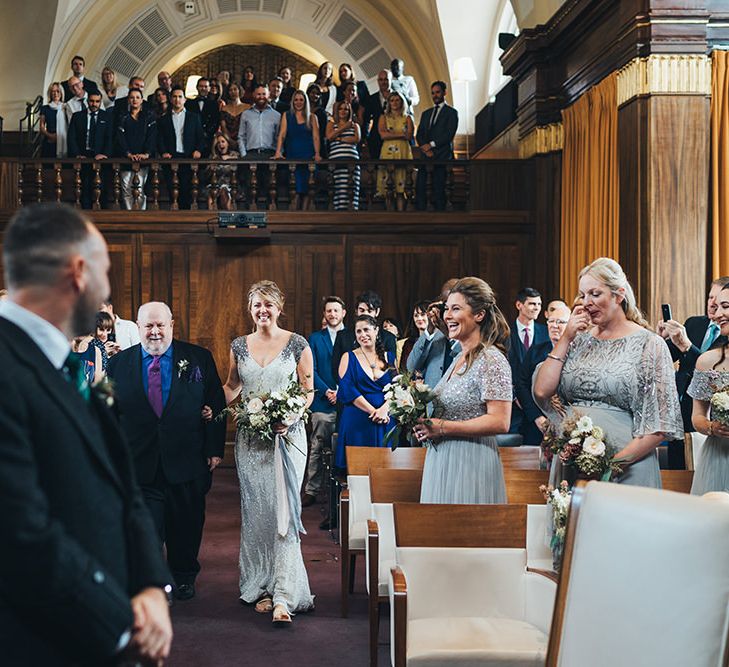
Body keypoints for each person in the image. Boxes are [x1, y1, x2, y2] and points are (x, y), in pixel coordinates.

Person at [0, 203, 172, 665]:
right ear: (79, 272)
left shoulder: (73, 366)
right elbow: (19, 532)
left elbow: (122, 485)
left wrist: (152, 586)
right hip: (44, 640)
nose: (106, 289)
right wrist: (122, 624)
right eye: (105, 271)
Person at [107, 301, 226, 601]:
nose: (155, 331)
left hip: (187, 459)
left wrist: (214, 448)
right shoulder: (119, 364)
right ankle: (151, 580)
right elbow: (109, 413)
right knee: (146, 528)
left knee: (186, 523)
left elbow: (216, 402)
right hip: (139, 461)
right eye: (148, 325)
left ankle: (184, 576)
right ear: (138, 327)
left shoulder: (198, 358)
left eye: (161, 325)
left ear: (172, 324)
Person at [533, 257, 683, 488]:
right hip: (573, 467)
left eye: (595, 294)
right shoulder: (577, 341)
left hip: (628, 468)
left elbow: (659, 426)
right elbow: (542, 390)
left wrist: (609, 466)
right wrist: (566, 338)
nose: (586, 303)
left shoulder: (649, 344)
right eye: (582, 295)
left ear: (618, 295)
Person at [222, 280, 315, 624]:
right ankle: (260, 583)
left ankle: (285, 595)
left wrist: (290, 416)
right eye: (256, 305)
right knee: (257, 510)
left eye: (268, 305)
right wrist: (202, 403)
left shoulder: (297, 344)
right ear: (250, 309)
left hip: (288, 439)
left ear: (279, 307)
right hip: (250, 440)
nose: (262, 311)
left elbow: (308, 391)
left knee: (284, 511)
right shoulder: (239, 346)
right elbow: (233, 385)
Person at [413, 277, 513, 503]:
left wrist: (443, 427)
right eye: (446, 309)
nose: (447, 315)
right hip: (443, 458)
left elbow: (500, 421)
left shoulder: (491, 359)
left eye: (456, 309)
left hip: (471, 460)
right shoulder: (459, 357)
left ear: (479, 315)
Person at [657, 276, 729, 468]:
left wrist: (686, 345)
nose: (714, 306)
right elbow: (666, 359)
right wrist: (661, 339)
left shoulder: (724, 337)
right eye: (711, 299)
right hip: (684, 411)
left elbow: (710, 368)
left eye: (723, 304)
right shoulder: (694, 324)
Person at [335, 314, 396, 470]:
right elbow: (347, 390)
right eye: (358, 331)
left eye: (366, 330)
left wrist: (384, 410)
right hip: (358, 420)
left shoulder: (390, 357)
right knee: (358, 470)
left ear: (376, 331)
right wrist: (373, 411)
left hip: (385, 419)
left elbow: (398, 387)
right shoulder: (348, 357)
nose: (363, 335)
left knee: (386, 471)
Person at [303, 296, 346, 507]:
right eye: (329, 311)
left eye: (336, 310)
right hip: (322, 400)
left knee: (344, 446)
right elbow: (311, 369)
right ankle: (312, 489)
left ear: (343, 313)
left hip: (348, 401)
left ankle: (342, 492)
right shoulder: (315, 338)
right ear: (324, 314)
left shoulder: (351, 336)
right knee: (317, 445)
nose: (332, 314)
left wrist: (341, 391)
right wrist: (327, 390)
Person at [687, 282, 729, 494]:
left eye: (726, 306)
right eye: (717, 307)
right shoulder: (707, 361)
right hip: (720, 458)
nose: (718, 313)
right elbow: (697, 417)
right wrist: (713, 427)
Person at [514, 300, 570, 445]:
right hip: (535, 425)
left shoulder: (577, 352)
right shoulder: (536, 350)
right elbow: (521, 384)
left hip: (569, 424)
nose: (554, 326)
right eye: (551, 321)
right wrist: (537, 417)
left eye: (560, 322)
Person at [406, 279, 460, 392]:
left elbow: (465, 358)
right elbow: (411, 366)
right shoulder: (434, 335)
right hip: (434, 406)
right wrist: (429, 330)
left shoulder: (470, 334)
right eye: (445, 305)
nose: (448, 312)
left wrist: (448, 333)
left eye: (455, 307)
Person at [508, 287, 548, 437]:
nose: (536, 308)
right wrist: (515, 396)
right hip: (513, 408)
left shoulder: (545, 332)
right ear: (519, 305)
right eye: (532, 304)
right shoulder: (505, 333)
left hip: (540, 407)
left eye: (539, 304)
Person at [157, 86, 205, 209]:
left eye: (180, 97)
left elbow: (200, 137)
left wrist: (198, 150)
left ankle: (186, 216)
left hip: (188, 158)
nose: (177, 99)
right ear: (170, 99)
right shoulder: (163, 119)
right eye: (174, 96)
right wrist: (163, 152)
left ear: (184, 100)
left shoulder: (194, 117)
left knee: (187, 189)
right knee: (171, 189)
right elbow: (160, 138)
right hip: (171, 158)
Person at [332, 290, 398, 379]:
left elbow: (392, 371)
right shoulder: (342, 336)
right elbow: (336, 369)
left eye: (370, 311)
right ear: (356, 311)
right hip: (350, 389)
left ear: (377, 312)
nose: (365, 314)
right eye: (362, 310)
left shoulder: (388, 337)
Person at [415, 80, 459, 211]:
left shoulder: (452, 112)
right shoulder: (426, 113)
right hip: (426, 157)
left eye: (438, 92)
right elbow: (420, 134)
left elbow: (449, 134)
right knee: (421, 187)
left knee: (439, 189)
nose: (435, 95)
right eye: (433, 93)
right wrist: (425, 147)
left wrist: (431, 145)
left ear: (444, 92)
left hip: (442, 156)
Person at [274, 90, 321, 209]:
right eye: (296, 100)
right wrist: (278, 152)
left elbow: (316, 137)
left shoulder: (312, 117)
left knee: (307, 188)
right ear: (292, 101)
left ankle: (304, 215)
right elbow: (282, 134)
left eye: (301, 100)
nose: (298, 102)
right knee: (295, 187)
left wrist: (317, 154)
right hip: (293, 155)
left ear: (305, 102)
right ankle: (294, 215)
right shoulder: (287, 115)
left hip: (308, 155)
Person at [67, 90, 113, 209]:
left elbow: (110, 138)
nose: (94, 104)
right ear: (87, 101)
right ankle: (86, 215)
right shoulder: (78, 116)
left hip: (101, 158)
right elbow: (71, 137)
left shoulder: (106, 116)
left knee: (102, 188)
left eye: (97, 101)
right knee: (85, 187)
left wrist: (104, 154)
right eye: (92, 101)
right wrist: (77, 154)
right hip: (83, 156)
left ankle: (104, 217)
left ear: (100, 102)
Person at [237, 85, 281, 208]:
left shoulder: (277, 115)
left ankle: (270, 220)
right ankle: (247, 221)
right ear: (254, 96)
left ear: (268, 96)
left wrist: (278, 153)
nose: (261, 97)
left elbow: (279, 137)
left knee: (270, 188)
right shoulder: (245, 114)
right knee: (249, 189)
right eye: (258, 94)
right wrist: (244, 155)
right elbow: (241, 136)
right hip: (251, 154)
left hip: (269, 155)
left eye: (263, 94)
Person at [116, 87, 157, 210]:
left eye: (137, 97)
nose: (135, 100)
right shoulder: (122, 117)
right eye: (132, 97)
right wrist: (127, 153)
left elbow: (152, 137)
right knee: (126, 189)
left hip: (142, 160)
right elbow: (120, 138)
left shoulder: (149, 117)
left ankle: (141, 215)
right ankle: (130, 215)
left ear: (142, 100)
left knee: (140, 189)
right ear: (128, 100)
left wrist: (147, 153)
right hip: (126, 159)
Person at [377, 90, 414, 210]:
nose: (394, 103)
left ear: (402, 102)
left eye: (397, 100)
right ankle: (389, 215)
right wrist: (401, 134)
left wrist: (391, 133)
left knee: (401, 187)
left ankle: (401, 215)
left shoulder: (408, 118)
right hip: (388, 152)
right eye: (392, 100)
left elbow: (409, 136)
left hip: (402, 152)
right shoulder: (383, 117)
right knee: (388, 188)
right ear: (388, 103)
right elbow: (383, 135)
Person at [326, 100, 361, 210]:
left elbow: (356, 139)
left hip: (352, 160)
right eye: (340, 109)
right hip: (336, 161)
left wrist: (340, 138)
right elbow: (330, 137)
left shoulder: (355, 125)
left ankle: (352, 211)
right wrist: (344, 128)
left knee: (351, 187)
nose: (343, 111)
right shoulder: (331, 124)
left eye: (346, 109)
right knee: (338, 188)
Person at [185, 77, 221, 156]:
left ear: (209, 88)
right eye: (201, 86)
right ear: (197, 87)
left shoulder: (214, 104)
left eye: (205, 86)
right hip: (192, 139)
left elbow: (216, 121)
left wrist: (207, 133)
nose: (203, 88)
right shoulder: (189, 103)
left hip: (208, 139)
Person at [362, 69, 392, 160]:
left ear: (391, 80)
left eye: (386, 79)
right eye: (381, 80)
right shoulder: (371, 99)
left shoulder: (399, 97)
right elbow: (366, 119)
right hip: (376, 139)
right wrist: (366, 137)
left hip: (395, 136)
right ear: (378, 81)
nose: (383, 82)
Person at [207, 132, 239, 210]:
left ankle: (228, 218)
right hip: (216, 184)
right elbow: (208, 173)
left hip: (230, 185)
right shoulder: (213, 156)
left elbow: (238, 168)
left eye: (223, 142)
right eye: (218, 143)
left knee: (224, 191)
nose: (221, 145)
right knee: (211, 194)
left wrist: (229, 158)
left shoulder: (234, 155)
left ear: (228, 143)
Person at [398, 300, 430, 371]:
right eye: (416, 315)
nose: (419, 318)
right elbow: (404, 370)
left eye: (423, 314)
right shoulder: (409, 343)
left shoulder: (439, 339)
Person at [220, 81, 249, 149]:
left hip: (246, 141)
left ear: (239, 90)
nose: (233, 92)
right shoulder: (224, 109)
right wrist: (230, 141)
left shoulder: (248, 107)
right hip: (228, 141)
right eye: (230, 90)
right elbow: (223, 128)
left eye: (235, 89)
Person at [40, 82, 65, 158]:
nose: (55, 93)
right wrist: (50, 136)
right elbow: (41, 127)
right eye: (53, 91)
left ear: (61, 93)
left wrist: (61, 136)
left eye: (57, 91)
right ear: (50, 93)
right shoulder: (45, 108)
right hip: (49, 139)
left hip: (63, 139)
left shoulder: (66, 107)